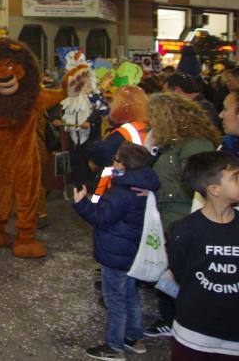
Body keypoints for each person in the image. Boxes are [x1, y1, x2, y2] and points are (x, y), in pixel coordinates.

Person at [73, 142, 160, 360]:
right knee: (130, 295)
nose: (113, 162)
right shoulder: (145, 188)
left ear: (124, 165)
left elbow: (100, 219)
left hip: (115, 254)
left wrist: (81, 203)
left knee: (114, 300)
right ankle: (135, 338)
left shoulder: (120, 193)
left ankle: (114, 346)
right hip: (133, 252)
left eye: (116, 159)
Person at [145, 92, 222, 337]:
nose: (151, 124)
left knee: (182, 274)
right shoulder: (177, 143)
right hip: (170, 217)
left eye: (154, 118)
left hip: (180, 218)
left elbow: (201, 183)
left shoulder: (194, 144)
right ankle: (172, 318)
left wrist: (156, 188)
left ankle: (180, 322)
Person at [169, 151, 239, 359]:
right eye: (235, 177)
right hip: (194, 336)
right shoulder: (184, 230)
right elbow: (182, 273)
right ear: (214, 189)